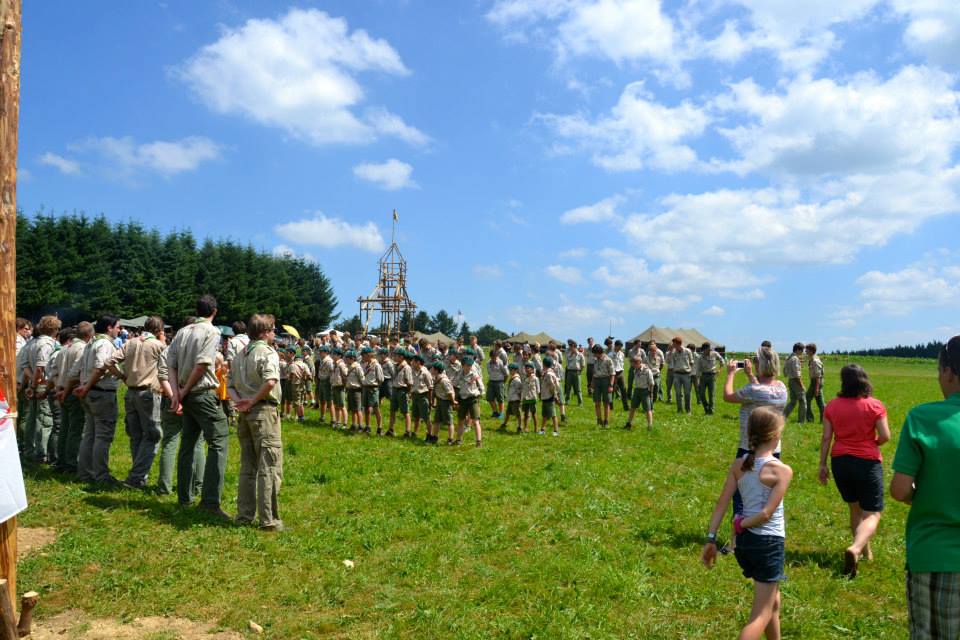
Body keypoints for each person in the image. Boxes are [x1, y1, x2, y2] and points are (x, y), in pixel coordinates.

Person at [702, 407, 793, 640]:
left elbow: (721, 504)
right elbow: (766, 514)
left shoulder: (738, 465)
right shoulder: (781, 471)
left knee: (772, 601)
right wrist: (741, 524)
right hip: (767, 543)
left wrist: (711, 539)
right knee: (760, 615)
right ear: (776, 436)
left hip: (745, 544)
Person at [891, 335, 960, 638]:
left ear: (948, 372)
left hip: (935, 553)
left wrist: (927, 494)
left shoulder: (922, 418)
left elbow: (900, 489)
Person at [817, 364, 890, 578]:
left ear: (844, 382)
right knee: (872, 513)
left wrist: (822, 465)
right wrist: (873, 443)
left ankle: (866, 552)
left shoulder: (832, 406)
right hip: (867, 462)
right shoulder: (874, 405)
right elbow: (885, 436)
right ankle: (856, 548)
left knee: (855, 509)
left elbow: (826, 437)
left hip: (840, 462)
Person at [167, 295, 231, 519]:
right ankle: (210, 502)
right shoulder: (212, 332)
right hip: (201, 394)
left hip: (186, 394)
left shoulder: (183, 331)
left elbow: (171, 364)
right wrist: (182, 392)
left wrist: (177, 393)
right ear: (214, 311)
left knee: (187, 444)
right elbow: (203, 363)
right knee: (219, 442)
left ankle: (184, 498)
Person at [722, 346, 788, 543]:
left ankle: (736, 540)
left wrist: (731, 374)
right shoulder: (781, 389)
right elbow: (761, 391)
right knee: (765, 495)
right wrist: (752, 376)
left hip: (749, 448)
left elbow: (727, 396)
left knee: (741, 495)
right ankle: (762, 530)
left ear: (760, 365)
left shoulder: (753, 390)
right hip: (773, 450)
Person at [227, 314, 284, 532]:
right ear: (265, 332)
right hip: (263, 412)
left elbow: (229, 385)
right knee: (269, 466)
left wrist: (240, 402)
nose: (274, 334)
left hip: (245, 414)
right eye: (273, 330)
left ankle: (244, 514)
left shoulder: (239, 355)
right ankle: (269, 520)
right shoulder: (267, 352)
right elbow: (270, 381)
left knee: (248, 466)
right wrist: (251, 401)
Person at [106, 315, 166, 489]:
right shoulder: (157, 345)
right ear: (159, 330)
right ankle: (137, 477)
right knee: (153, 435)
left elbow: (109, 362)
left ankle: (138, 475)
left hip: (131, 392)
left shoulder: (130, 342)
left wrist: (122, 376)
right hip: (148, 393)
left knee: (136, 435)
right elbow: (169, 364)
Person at [156, 321, 204, 497]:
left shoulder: (168, 350)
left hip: (171, 400)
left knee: (170, 441)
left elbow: (163, 377)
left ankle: (165, 487)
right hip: (194, 398)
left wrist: (174, 398)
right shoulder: (198, 350)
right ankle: (197, 486)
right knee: (197, 443)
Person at [24, 315, 61, 462]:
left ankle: (29, 449)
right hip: (42, 384)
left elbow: (25, 366)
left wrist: (31, 382)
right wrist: (35, 384)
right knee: (44, 420)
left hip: (34, 383)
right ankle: (42, 453)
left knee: (32, 419)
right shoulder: (47, 344)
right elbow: (41, 367)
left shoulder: (32, 343)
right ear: (55, 329)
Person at [54, 324, 88, 474]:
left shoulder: (64, 348)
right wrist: (66, 391)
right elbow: (75, 374)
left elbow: (54, 371)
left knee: (65, 428)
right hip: (72, 392)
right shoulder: (82, 348)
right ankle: (71, 463)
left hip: (62, 390)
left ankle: (61, 461)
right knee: (75, 430)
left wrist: (59, 389)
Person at [453, 355, 484, 447]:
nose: (469, 367)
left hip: (472, 399)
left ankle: (478, 442)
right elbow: (454, 384)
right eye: (467, 365)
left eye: (470, 365)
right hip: (462, 399)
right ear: (462, 365)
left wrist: (479, 394)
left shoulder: (474, 374)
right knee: (460, 420)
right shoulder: (459, 374)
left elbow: (481, 386)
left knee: (476, 421)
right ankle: (458, 440)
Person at [624, 355, 655, 430]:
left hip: (645, 391)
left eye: (634, 364)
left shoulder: (647, 371)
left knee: (648, 409)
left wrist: (650, 393)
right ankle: (629, 423)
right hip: (637, 390)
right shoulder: (635, 370)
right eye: (632, 364)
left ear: (639, 362)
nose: (633, 365)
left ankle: (650, 426)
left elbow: (651, 383)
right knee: (632, 407)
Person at [667, 337, 695, 414]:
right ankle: (679, 410)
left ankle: (688, 410)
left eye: (674, 343)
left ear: (678, 343)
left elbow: (692, 362)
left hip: (686, 374)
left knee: (687, 393)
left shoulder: (687, 351)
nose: (673, 345)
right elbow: (668, 361)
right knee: (678, 393)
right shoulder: (673, 352)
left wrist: (689, 370)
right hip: (677, 374)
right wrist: (670, 352)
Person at [430, 361, 455, 444]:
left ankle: (450, 439)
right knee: (437, 420)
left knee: (449, 421)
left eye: (432, 368)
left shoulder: (444, 380)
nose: (431, 369)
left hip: (446, 402)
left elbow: (450, 392)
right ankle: (434, 436)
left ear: (436, 370)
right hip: (439, 401)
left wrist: (453, 401)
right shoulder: (436, 378)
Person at [389, 349, 413, 437]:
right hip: (395, 389)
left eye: (396, 355)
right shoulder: (396, 365)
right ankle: (390, 429)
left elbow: (409, 382)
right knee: (392, 410)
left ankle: (408, 431)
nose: (394, 357)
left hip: (402, 390)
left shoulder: (406, 367)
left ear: (401, 357)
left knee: (405, 411)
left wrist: (409, 393)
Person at [360, 347, 383, 434]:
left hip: (373, 388)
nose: (362, 357)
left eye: (363, 355)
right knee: (366, 408)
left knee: (375, 408)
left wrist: (375, 386)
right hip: (365, 388)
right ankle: (368, 426)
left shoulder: (376, 365)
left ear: (368, 355)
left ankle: (379, 427)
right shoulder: (365, 364)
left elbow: (381, 379)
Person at [697, 342, 725, 415]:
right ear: (704, 349)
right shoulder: (700, 357)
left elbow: (722, 361)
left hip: (712, 376)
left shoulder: (714, 354)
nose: (710, 350)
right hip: (703, 376)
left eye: (710, 349)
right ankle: (706, 407)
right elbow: (698, 369)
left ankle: (711, 411)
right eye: (708, 349)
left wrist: (720, 369)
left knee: (711, 394)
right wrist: (698, 379)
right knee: (701, 393)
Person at [782, 342, 807, 424]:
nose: (803, 352)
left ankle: (782, 417)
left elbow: (784, 371)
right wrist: (801, 385)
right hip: (796, 381)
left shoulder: (789, 357)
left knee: (793, 401)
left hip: (790, 380)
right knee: (802, 401)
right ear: (798, 350)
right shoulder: (795, 359)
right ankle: (801, 421)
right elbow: (797, 374)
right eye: (802, 350)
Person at [410, 355, 433, 440]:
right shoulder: (412, 370)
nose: (411, 363)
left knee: (426, 417)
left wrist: (430, 400)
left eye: (413, 361)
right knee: (416, 416)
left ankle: (429, 434)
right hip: (415, 396)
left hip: (423, 396)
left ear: (418, 362)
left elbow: (430, 387)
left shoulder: (425, 372)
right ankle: (415, 432)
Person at [592, 345, 614, 428]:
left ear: (599, 352)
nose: (594, 355)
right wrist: (592, 383)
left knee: (606, 403)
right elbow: (594, 372)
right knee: (597, 402)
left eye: (595, 353)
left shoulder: (608, 360)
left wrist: (611, 385)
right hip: (597, 381)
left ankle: (606, 421)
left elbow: (612, 374)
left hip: (606, 381)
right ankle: (599, 420)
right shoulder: (595, 360)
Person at [288, 352, 312, 424]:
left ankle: (298, 417)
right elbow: (309, 375)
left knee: (296, 402)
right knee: (301, 401)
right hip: (302, 384)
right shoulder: (304, 365)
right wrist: (304, 378)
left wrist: (291, 378)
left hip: (295, 384)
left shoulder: (292, 365)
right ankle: (302, 416)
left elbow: (290, 376)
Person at [540, 356, 561, 436]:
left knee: (553, 415)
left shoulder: (549, 374)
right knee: (544, 414)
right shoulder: (546, 372)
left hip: (549, 397)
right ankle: (542, 429)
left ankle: (556, 431)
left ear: (544, 364)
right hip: (545, 396)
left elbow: (552, 386)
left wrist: (555, 396)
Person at [343, 350, 364, 432]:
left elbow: (362, 379)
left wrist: (362, 389)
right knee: (352, 409)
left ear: (352, 358)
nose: (346, 359)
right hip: (350, 389)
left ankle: (361, 426)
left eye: (347, 358)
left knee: (358, 409)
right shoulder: (349, 366)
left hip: (356, 390)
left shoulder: (357, 367)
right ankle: (354, 425)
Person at [805, 344, 825, 424]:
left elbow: (818, 376)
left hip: (816, 382)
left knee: (807, 399)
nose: (805, 351)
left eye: (807, 350)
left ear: (811, 351)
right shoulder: (812, 359)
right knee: (819, 402)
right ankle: (823, 419)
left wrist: (816, 388)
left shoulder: (815, 361)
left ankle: (811, 419)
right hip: (814, 382)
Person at [502, 363, 523, 433]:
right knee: (508, 412)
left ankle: (520, 426)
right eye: (509, 370)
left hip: (515, 399)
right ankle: (504, 424)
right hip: (511, 399)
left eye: (512, 370)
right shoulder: (512, 378)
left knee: (518, 413)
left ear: (516, 370)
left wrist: (520, 400)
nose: (510, 371)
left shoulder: (517, 379)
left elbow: (519, 390)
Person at [486, 353, 508, 419]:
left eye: (495, 358)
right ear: (490, 357)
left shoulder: (500, 363)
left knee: (500, 399)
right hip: (491, 381)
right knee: (489, 398)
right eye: (493, 358)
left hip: (499, 382)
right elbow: (489, 373)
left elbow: (506, 374)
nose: (494, 359)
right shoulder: (488, 363)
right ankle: (495, 412)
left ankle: (501, 413)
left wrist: (503, 382)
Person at [521, 362, 540, 434]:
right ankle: (525, 428)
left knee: (533, 413)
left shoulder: (535, 379)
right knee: (525, 413)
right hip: (525, 398)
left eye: (528, 368)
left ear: (532, 369)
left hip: (532, 398)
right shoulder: (524, 378)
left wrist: (537, 395)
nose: (526, 370)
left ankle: (536, 428)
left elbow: (538, 389)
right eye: (526, 368)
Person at [564, 339, 585, 406]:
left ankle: (580, 402)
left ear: (575, 346)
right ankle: (567, 400)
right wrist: (571, 353)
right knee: (568, 387)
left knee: (578, 389)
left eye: (571, 346)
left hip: (577, 372)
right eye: (570, 346)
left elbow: (583, 365)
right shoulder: (568, 354)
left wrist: (580, 371)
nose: (570, 347)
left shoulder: (580, 355)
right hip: (569, 372)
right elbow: (567, 360)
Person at [610, 340, 628, 412]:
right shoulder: (610, 354)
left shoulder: (622, 354)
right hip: (613, 374)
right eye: (619, 346)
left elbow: (622, 363)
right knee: (612, 391)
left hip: (620, 373)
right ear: (615, 345)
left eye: (621, 347)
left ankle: (626, 407)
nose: (620, 348)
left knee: (624, 390)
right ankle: (610, 407)